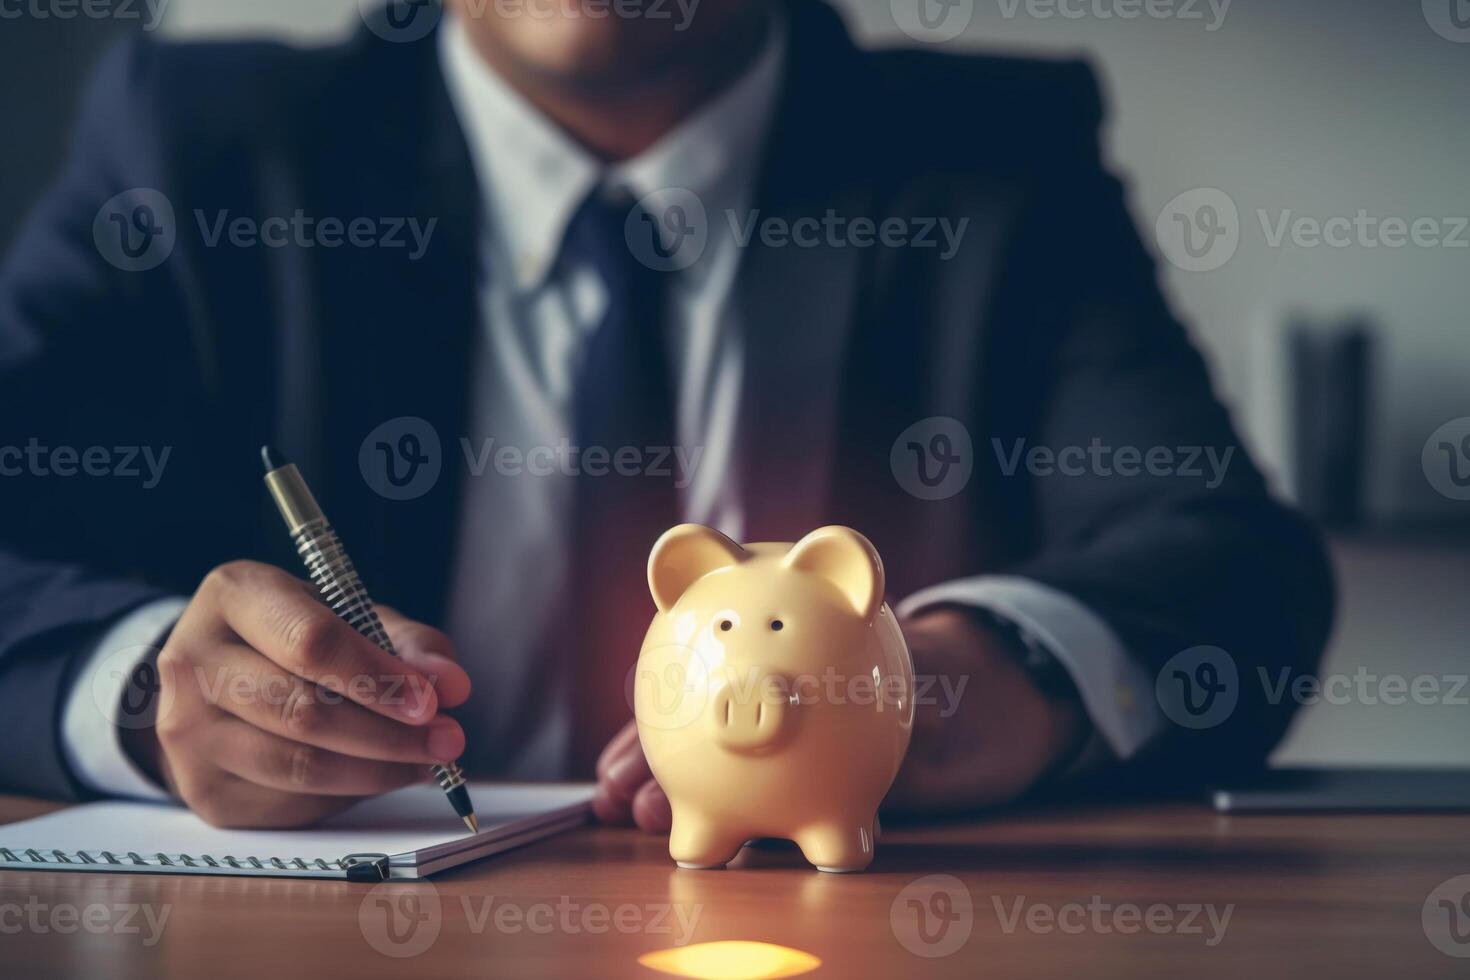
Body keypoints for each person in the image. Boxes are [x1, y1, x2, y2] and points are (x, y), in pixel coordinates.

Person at [0, 0, 1333, 832]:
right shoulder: (197, 145)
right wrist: (137, 694)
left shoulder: (993, 159)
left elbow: (1227, 560)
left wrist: (1004, 669)